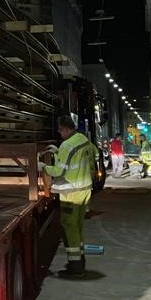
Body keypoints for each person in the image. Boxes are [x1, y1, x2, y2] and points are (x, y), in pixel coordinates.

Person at [43, 114, 97, 276]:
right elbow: (90, 153)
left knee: (69, 227)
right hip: (85, 190)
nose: (60, 133)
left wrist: (43, 167)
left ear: (66, 129)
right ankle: (79, 262)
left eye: (60, 131)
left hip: (71, 192)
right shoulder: (83, 139)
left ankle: (75, 267)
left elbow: (58, 170)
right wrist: (59, 151)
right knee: (78, 226)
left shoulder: (67, 145)